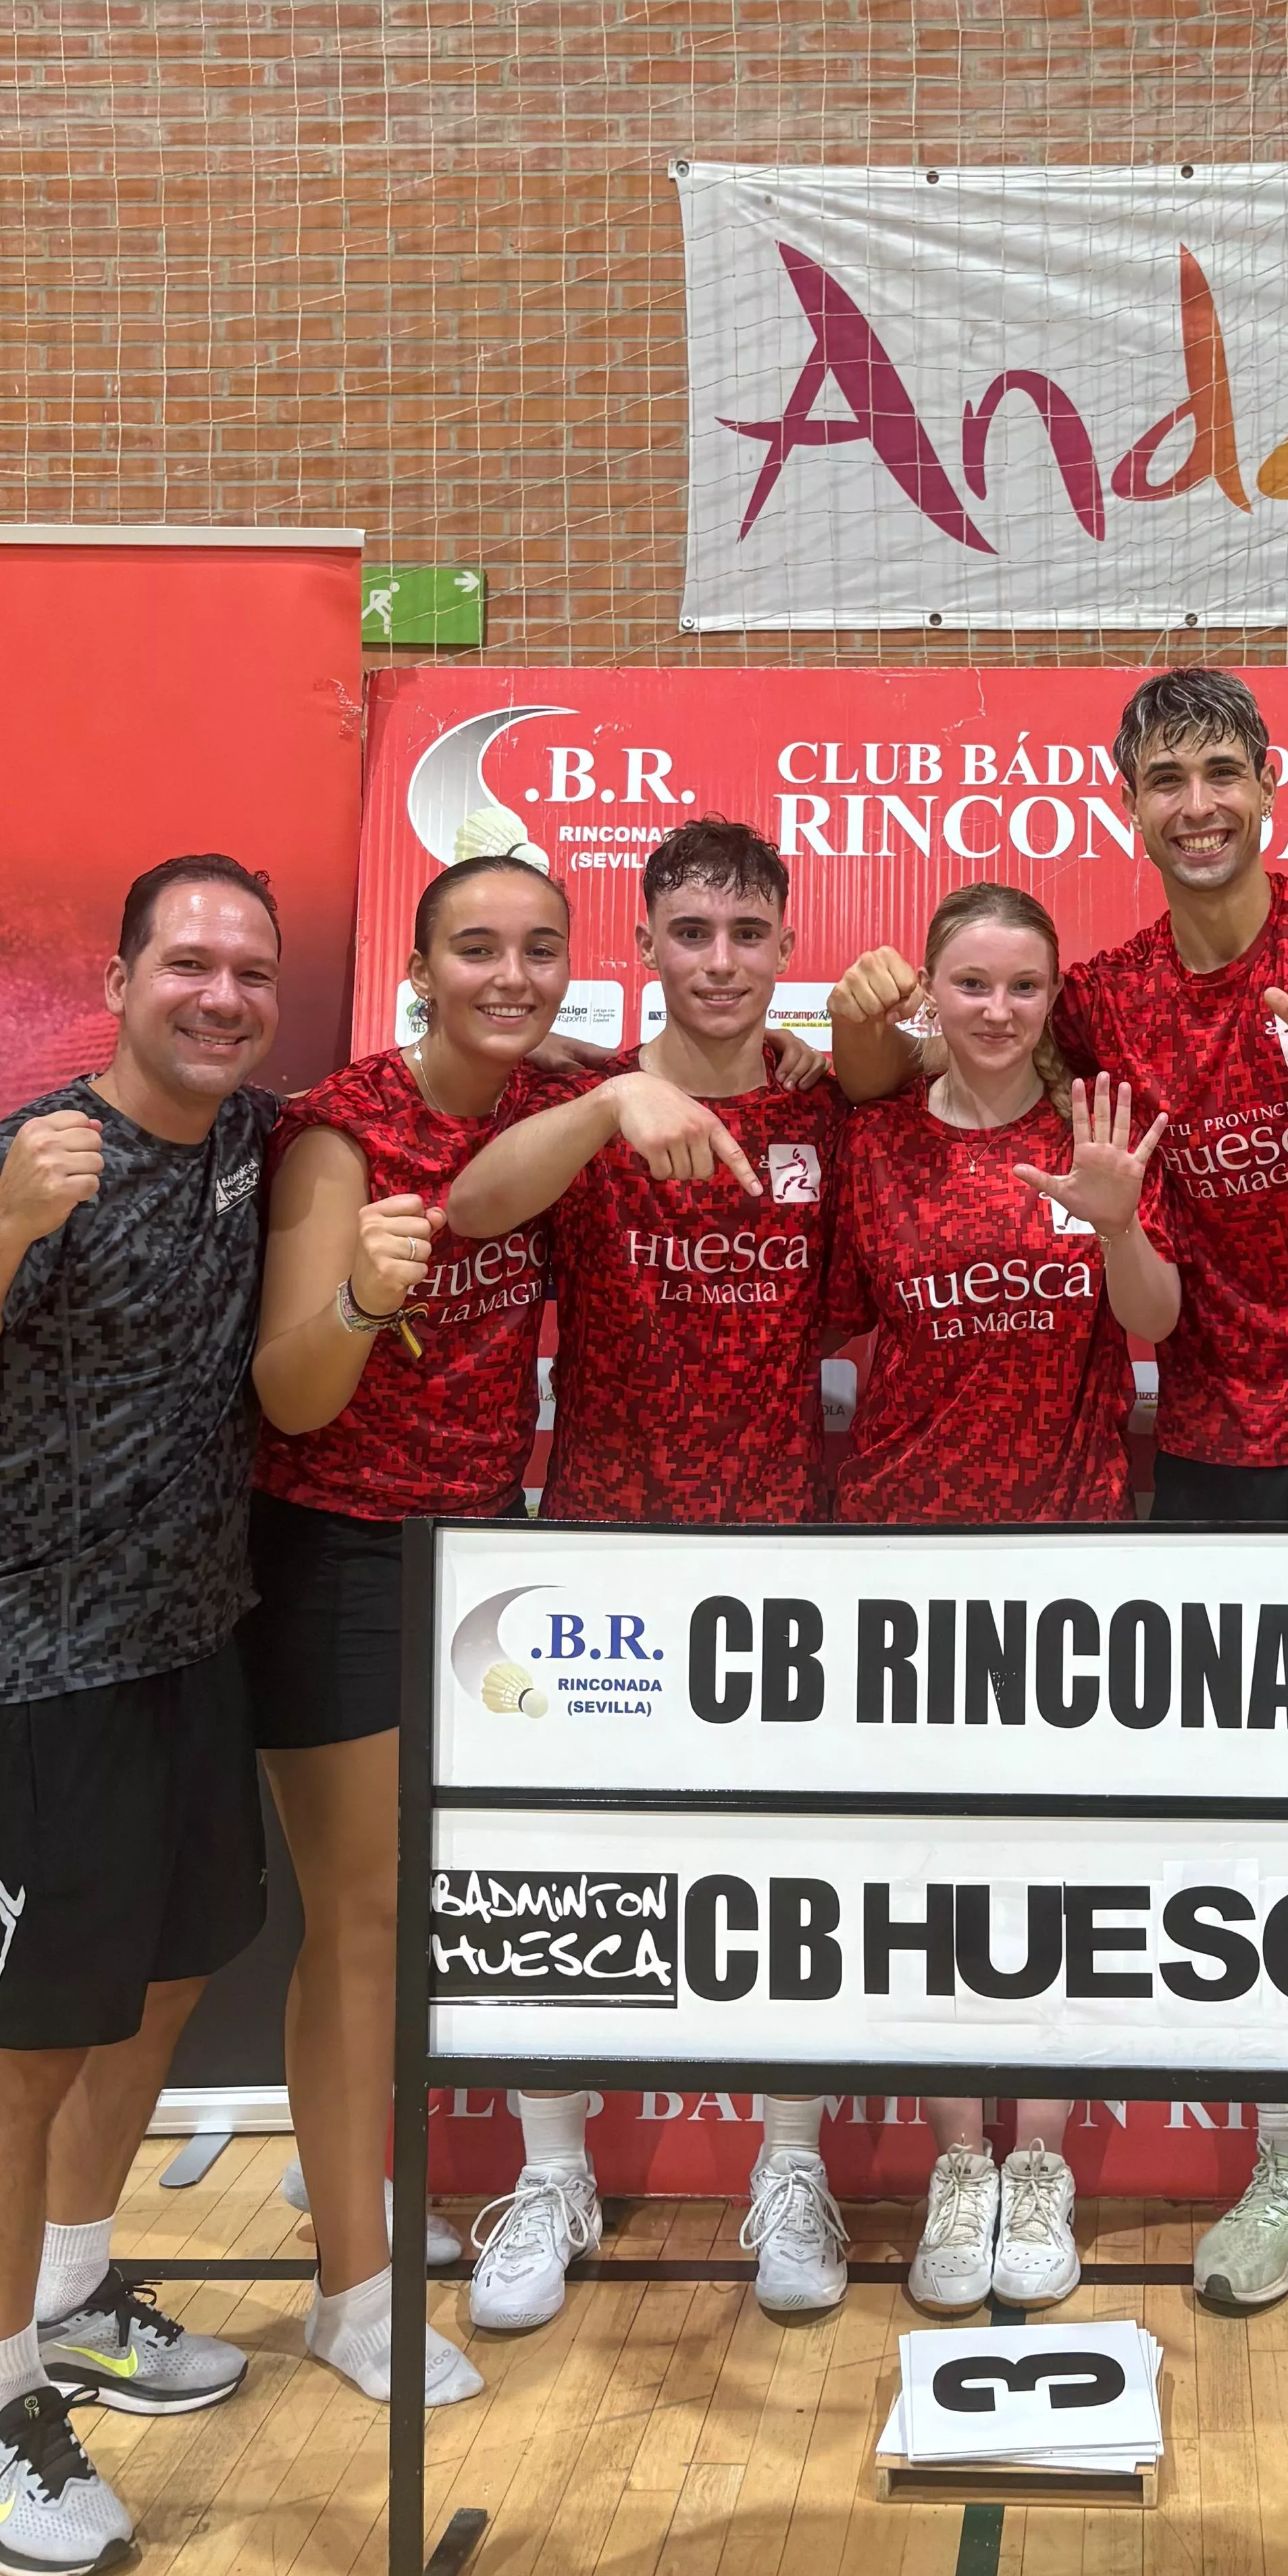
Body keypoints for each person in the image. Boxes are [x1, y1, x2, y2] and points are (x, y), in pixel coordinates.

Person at [833, 666, 1288, 2363]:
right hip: (1207, 1443)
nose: (1196, 803)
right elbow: (936, 1070)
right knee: (1254, 1833)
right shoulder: (1106, 994)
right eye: (1164, 777)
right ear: (1128, 801)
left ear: (1270, 781)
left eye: (1221, 771)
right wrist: (871, 1009)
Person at [0, 857, 284, 2576]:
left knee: (170, 1982)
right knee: (24, 2051)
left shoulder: (257, 1146)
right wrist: (1, 1233)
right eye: (187, 962)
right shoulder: (31, 1158)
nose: (220, 993)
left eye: (250, 969)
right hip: (38, 1681)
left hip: (193, 1654)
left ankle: (77, 2291)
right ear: (118, 981)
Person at [444, 818, 853, 2325]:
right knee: (560, 1878)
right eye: (691, 933)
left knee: (787, 1883)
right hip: (594, 1563)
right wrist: (615, 1094)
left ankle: (791, 2167)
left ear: (786, 944)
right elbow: (472, 1207)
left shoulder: (828, 1115)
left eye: (748, 934)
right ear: (645, 946)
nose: (721, 963)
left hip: (780, 1563)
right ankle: (552, 2174)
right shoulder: (575, 1103)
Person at [248, 852, 609, 2396]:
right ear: (418, 968)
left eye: (538, 948)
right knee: (362, 1922)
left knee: (440, 1909)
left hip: (485, 1552)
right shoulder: (345, 1128)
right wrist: (358, 1301)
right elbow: (288, 1392)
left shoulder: (558, 1098)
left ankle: (357, 2193)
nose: (509, 975)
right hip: (338, 1548)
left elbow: (687, 1074)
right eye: (475, 948)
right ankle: (352, 2291)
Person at [824, 881, 1179, 2313]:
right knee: (929, 1881)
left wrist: (1118, 1224)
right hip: (903, 1554)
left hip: (1069, 1553)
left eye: (1023, 986)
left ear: (1053, 997)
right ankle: (958, 2161)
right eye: (969, 984)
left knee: (1055, 1874)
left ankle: (1040, 2161)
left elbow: (1154, 1319)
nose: (996, 1010)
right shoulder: (873, 1142)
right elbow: (829, 1319)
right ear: (929, 992)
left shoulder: (1100, 1128)